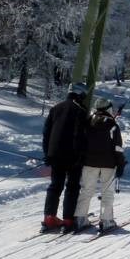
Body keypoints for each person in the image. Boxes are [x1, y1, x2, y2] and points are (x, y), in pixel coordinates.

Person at [42, 82, 89, 232]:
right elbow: (80, 136)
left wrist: (47, 154)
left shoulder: (55, 108)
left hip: (54, 154)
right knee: (72, 187)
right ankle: (68, 220)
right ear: (80, 94)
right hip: (73, 156)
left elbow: (46, 134)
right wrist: (80, 155)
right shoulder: (80, 111)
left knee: (55, 186)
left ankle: (49, 218)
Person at [74, 98, 126, 233]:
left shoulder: (88, 122)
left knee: (86, 190)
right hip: (108, 164)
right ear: (108, 108)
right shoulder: (112, 124)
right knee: (107, 192)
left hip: (89, 162)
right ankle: (106, 220)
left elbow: (82, 142)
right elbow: (118, 147)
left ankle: (80, 218)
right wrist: (120, 164)